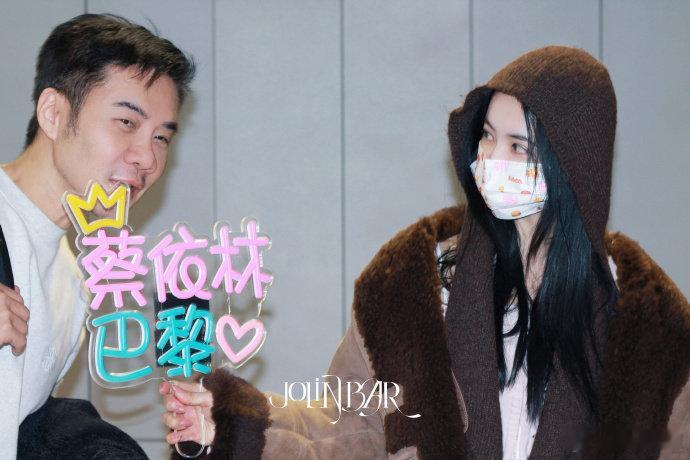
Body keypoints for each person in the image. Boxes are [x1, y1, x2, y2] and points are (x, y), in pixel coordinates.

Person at [161, 46, 689, 459]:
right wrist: (234, 423)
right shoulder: (415, 295)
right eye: (486, 136)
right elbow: (349, 428)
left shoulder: (651, 332)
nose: (491, 159)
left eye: (518, 146)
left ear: (574, 165)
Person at [0, 13, 195, 458]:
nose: (147, 158)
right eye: (126, 122)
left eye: (162, 137)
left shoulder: (74, 283)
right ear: (53, 114)